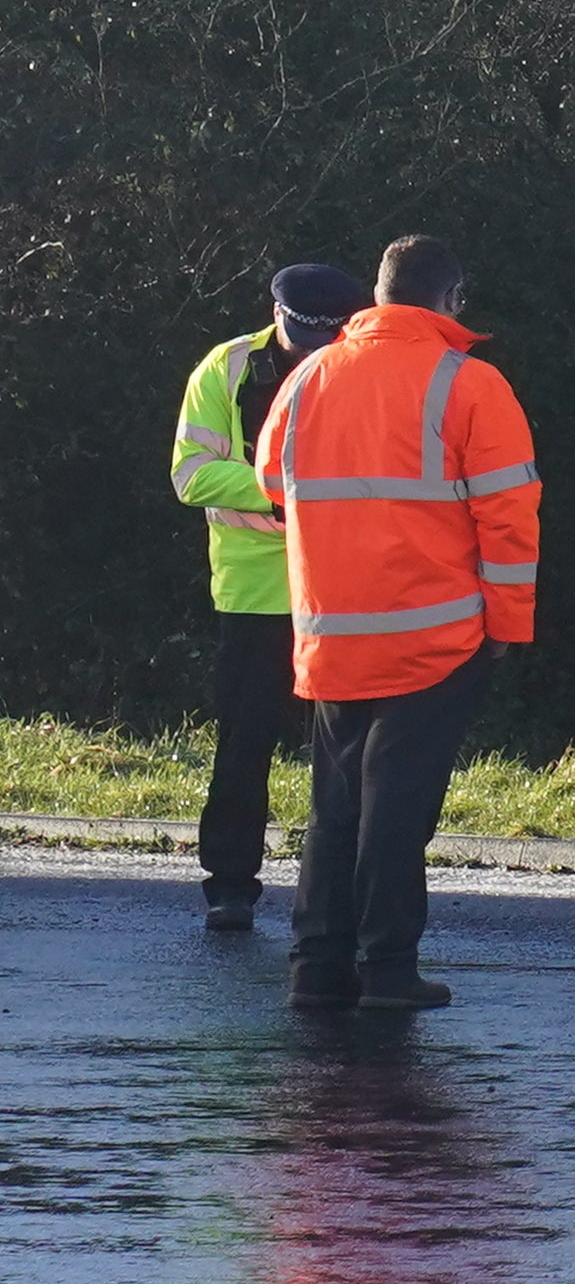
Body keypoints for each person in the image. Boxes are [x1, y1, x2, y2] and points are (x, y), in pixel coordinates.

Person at [255, 234, 538, 1011]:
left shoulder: (309, 375)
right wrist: (508, 626)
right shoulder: (470, 384)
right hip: (435, 635)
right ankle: (388, 969)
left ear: (377, 295)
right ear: (451, 299)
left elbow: (271, 482)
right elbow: (509, 518)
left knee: (336, 801)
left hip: (331, 629)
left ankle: (318, 967)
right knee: (396, 803)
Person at [164, 260, 370, 932]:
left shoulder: (359, 365)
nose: (311, 347)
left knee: (343, 752)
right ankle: (229, 883)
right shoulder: (224, 369)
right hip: (255, 594)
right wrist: (285, 490)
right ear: (276, 315)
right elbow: (191, 474)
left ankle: (337, 889)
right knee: (244, 742)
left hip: (342, 587)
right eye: (300, 333)